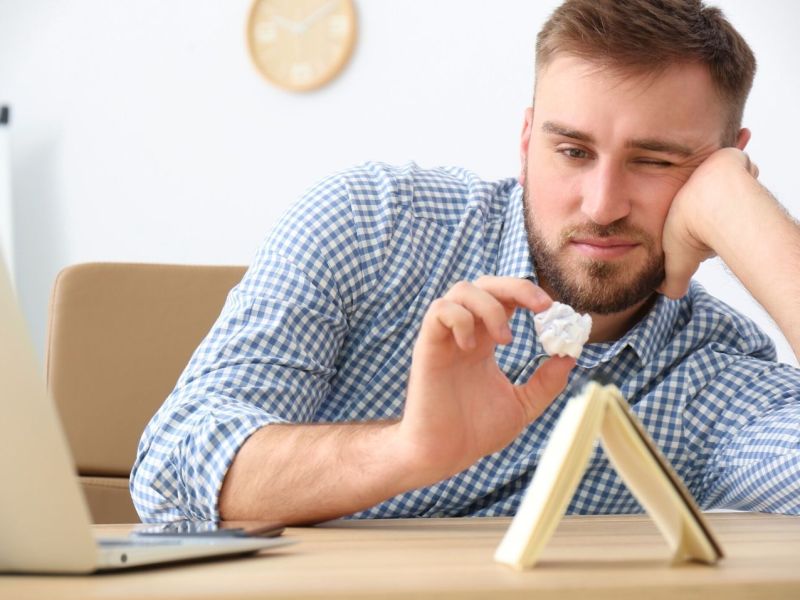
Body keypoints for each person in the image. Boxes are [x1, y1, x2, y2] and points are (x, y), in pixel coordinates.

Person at [131, 0, 800, 524]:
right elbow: (169, 470)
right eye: (571, 151)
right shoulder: (371, 224)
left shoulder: (711, 373)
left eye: (655, 162)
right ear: (525, 140)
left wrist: (742, 214)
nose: (601, 205)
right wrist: (407, 449)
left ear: (727, 159)